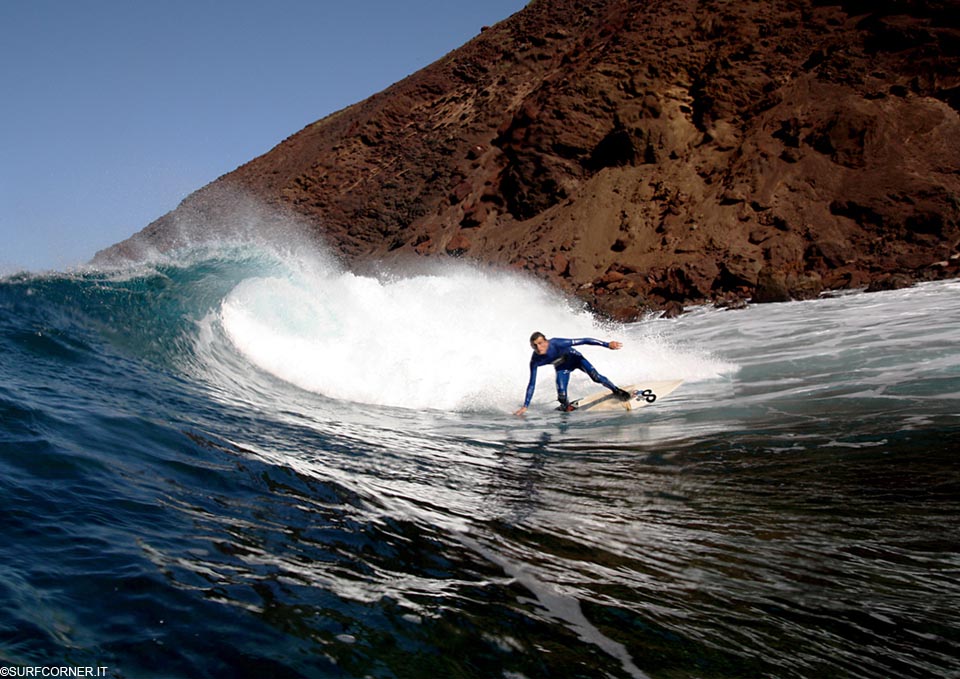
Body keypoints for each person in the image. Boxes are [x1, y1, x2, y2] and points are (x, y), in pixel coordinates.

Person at [514, 332, 630, 415]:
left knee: (596, 377)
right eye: (535, 346)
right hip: (562, 368)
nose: (539, 348)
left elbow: (584, 340)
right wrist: (525, 406)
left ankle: (616, 390)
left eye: (540, 343)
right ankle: (565, 406)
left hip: (576, 359)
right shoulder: (535, 360)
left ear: (546, 341)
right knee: (562, 395)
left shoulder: (557, 343)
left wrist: (606, 344)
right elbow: (532, 384)